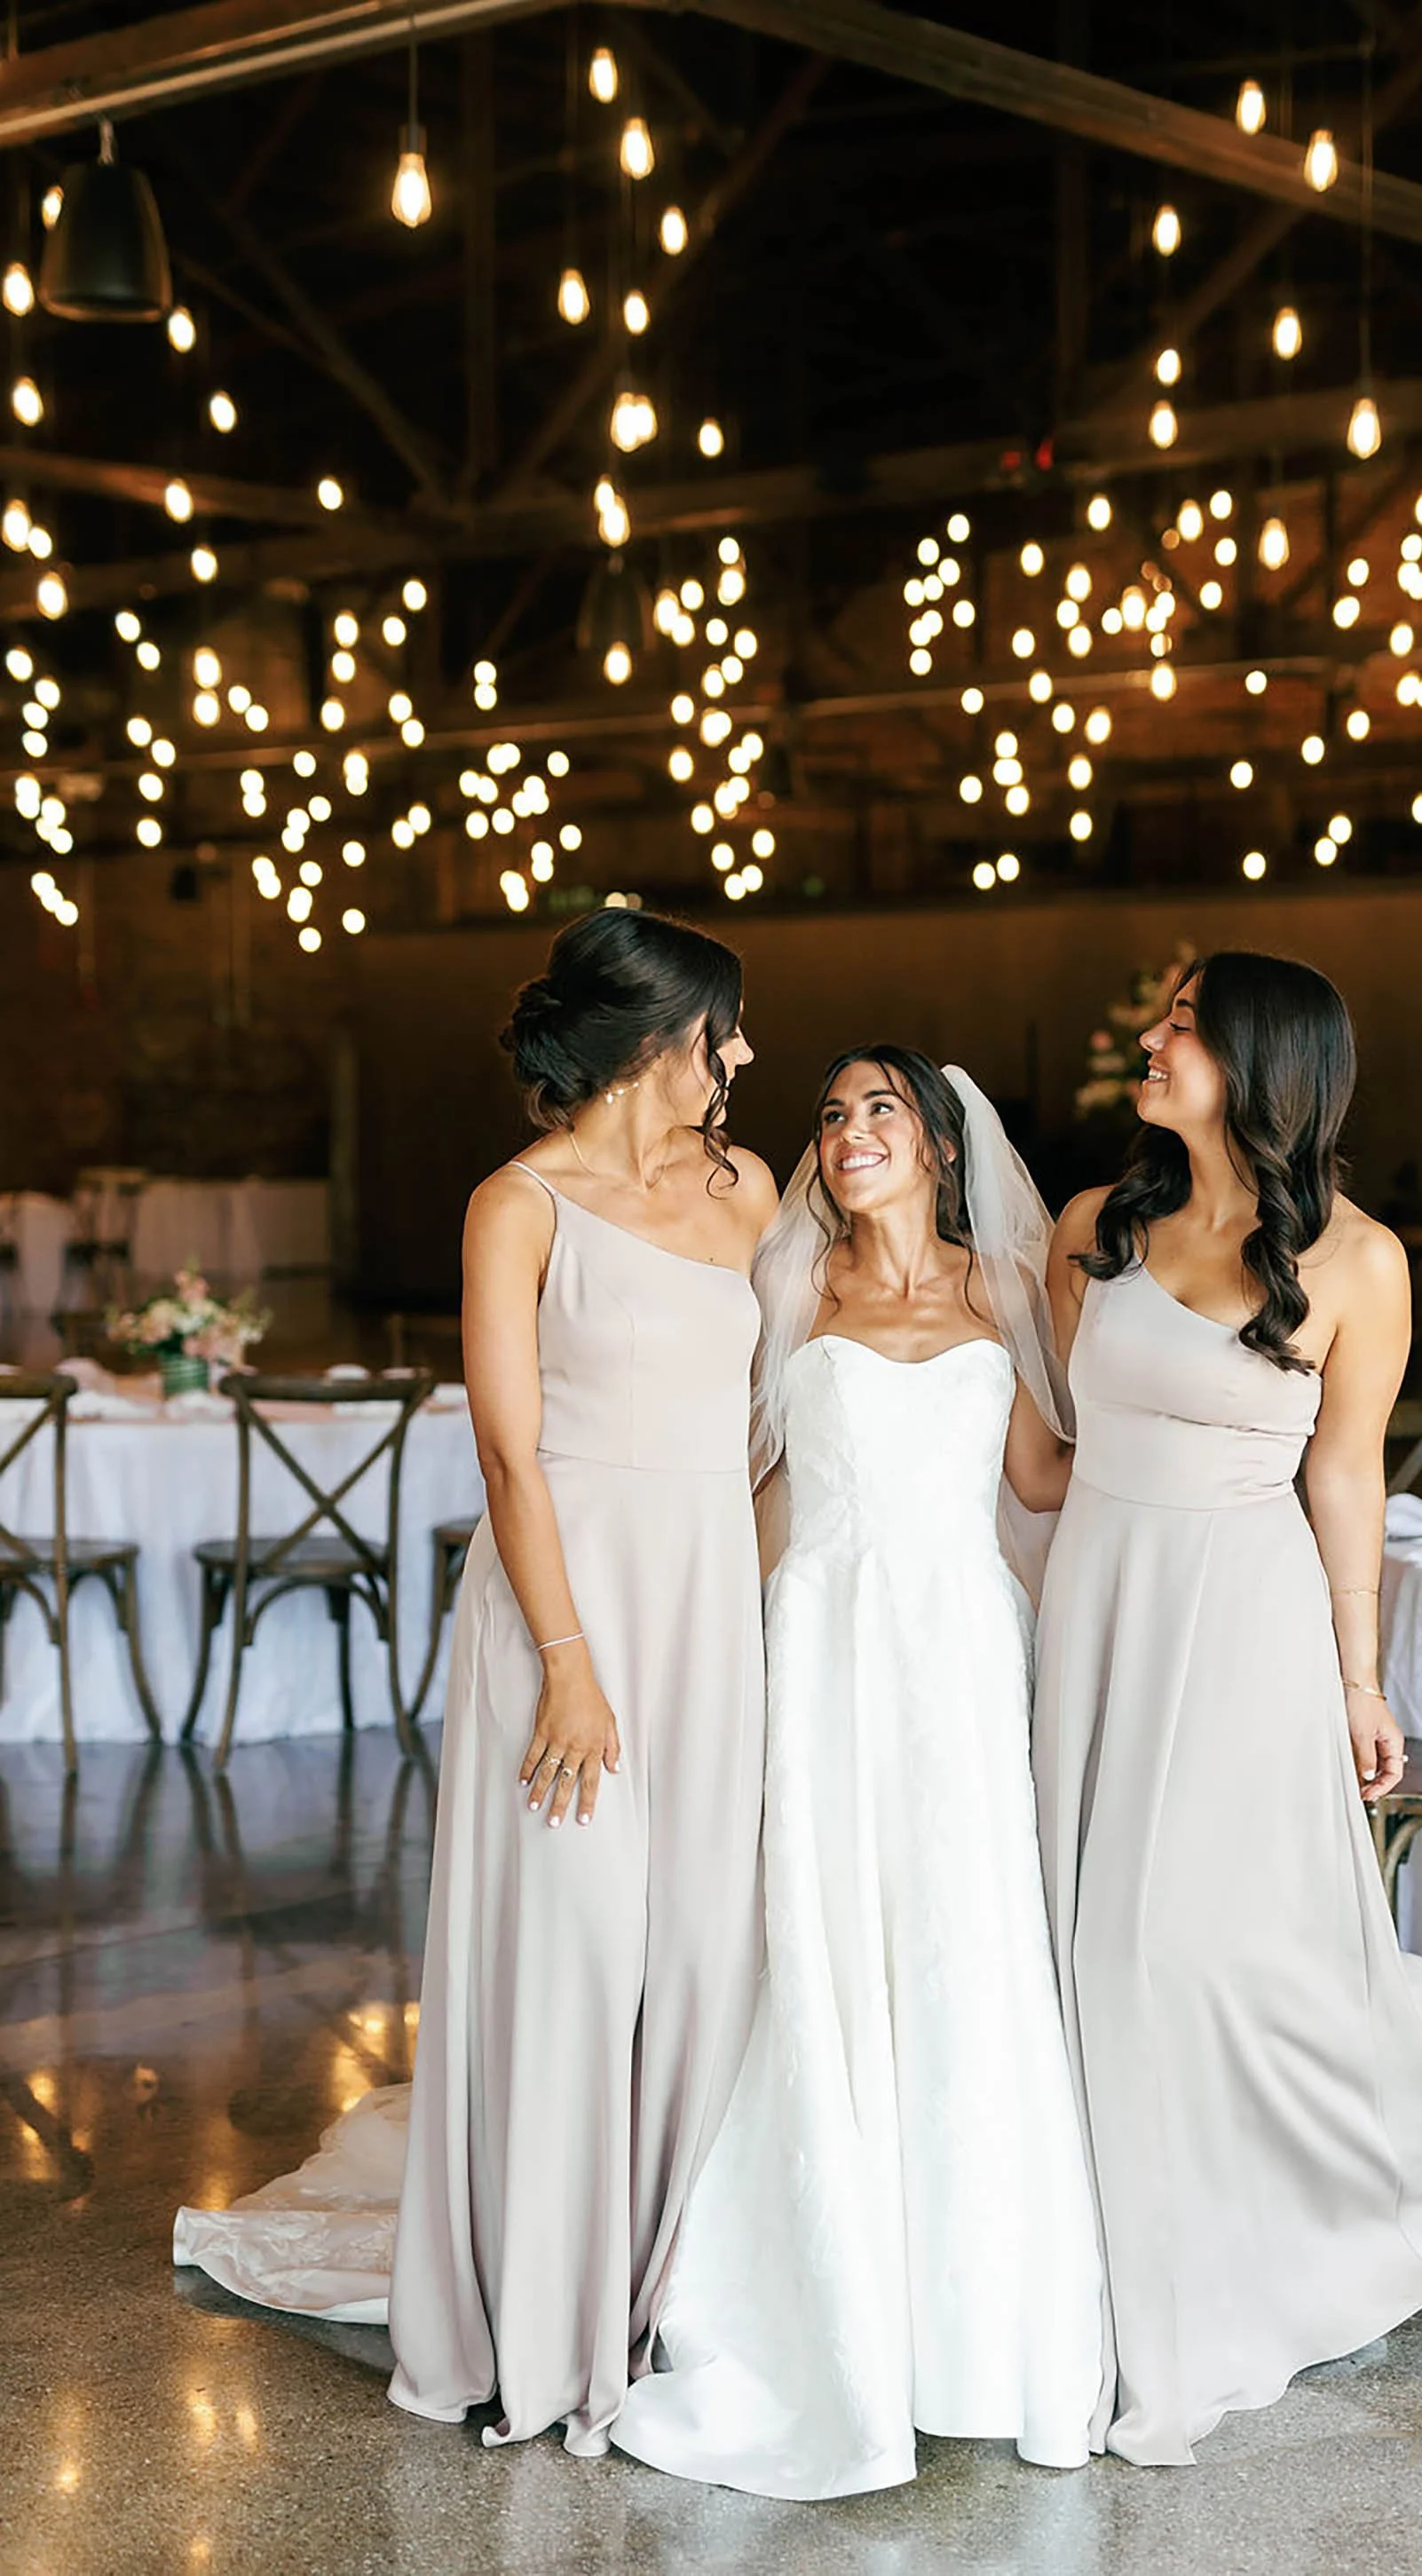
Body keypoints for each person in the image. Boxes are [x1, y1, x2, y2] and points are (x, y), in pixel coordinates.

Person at [174, 908, 778, 2460]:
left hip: (712, 1612)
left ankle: (660, 2288)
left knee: (705, 1950)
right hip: (558, 1615)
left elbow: (776, 1415)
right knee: (573, 1952)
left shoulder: (747, 1187)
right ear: (660, 1041)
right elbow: (510, 1452)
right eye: (728, 1032)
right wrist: (569, 1670)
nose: (746, 1059)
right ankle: (540, 2314)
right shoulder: (516, 1206)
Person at [1033, 951, 1422, 2468]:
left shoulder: (1359, 1262)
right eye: (1156, 1016)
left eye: (1179, 1025)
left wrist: (1360, 1678)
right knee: (1081, 1936)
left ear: (1262, 1063)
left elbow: (1343, 1476)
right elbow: (1041, 1448)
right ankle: (1081, 2262)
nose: (1149, 1039)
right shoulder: (1094, 1229)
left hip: (1241, 1623)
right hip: (1096, 1608)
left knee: (1186, 1950)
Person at [611, 1049, 1104, 2498]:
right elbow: (744, 1491)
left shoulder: (1002, 1297)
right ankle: (823, 2300)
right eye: (828, 1113)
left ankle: (969, 2312)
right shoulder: (793, 1294)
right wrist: (669, 1643)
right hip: (818, 1644)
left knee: (962, 1945)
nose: (845, 1131)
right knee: (826, 1942)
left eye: (878, 1107)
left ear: (942, 1146)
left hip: (955, 1656)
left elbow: (1042, 1479)